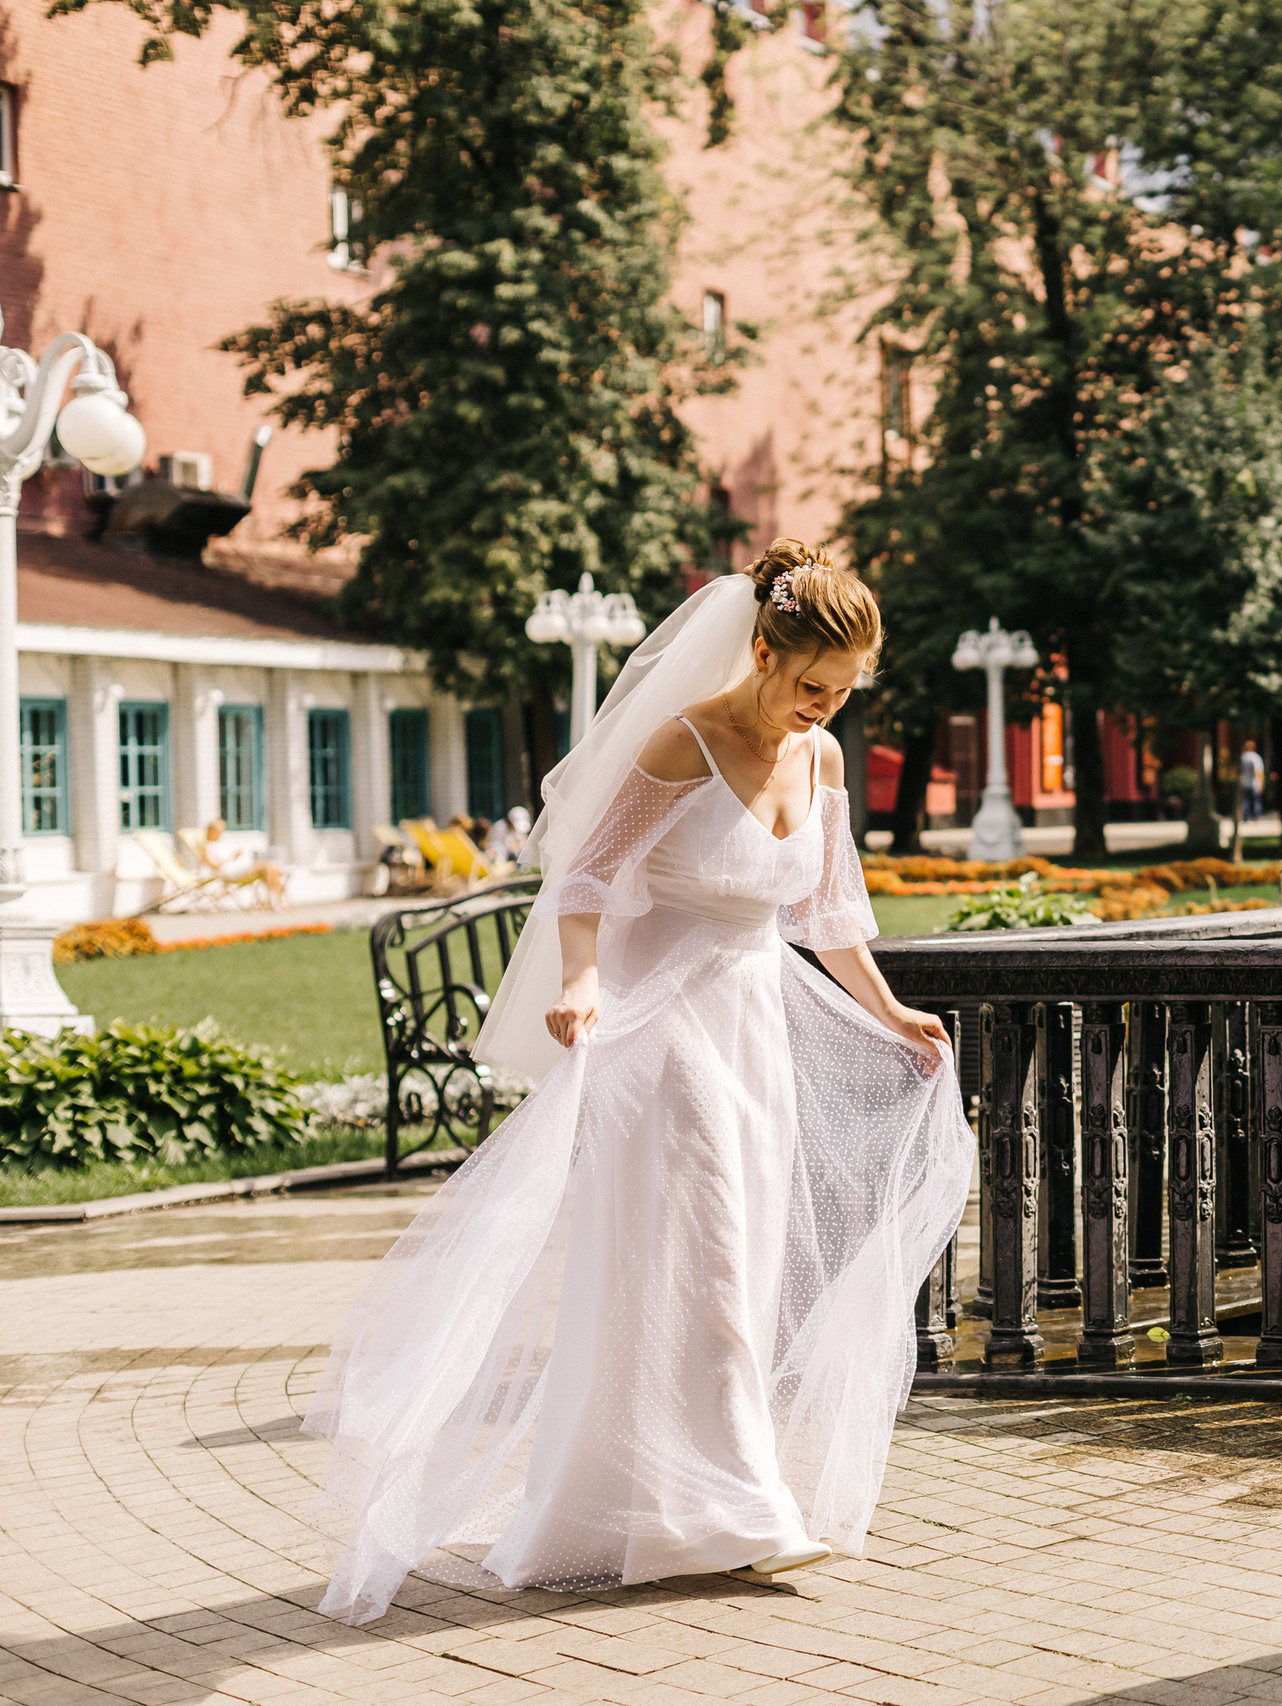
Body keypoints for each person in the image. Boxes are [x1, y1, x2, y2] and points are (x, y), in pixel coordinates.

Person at [303, 540, 974, 1626]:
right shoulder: (684, 740)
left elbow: (830, 910)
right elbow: (586, 870)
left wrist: (888, 1009)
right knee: (700, 1264)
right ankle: (736, 1507)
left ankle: (636, 1501)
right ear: (762, 650)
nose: (823, 707)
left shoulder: (824, 760)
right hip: (665, 1033)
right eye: (810, 685)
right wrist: (578, 980)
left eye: (844, 691)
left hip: (758, 1027)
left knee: (741, 1267)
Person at [1237, 738, 1265, 822]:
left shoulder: (1243, 757)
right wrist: (1261, 783)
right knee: (1256, 801)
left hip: (1245, 782)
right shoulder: (1256, 757)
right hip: (1254, 782)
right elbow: (1258, 771)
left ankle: (1245, 817)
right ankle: (1256, 817)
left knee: (1245, 800)